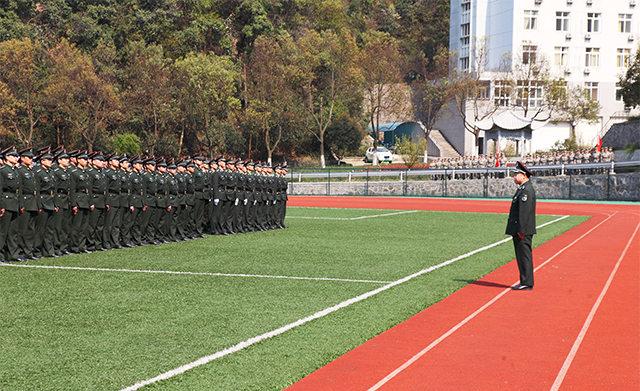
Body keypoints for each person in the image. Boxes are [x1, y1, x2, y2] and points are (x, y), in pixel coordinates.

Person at [506, 161, 537, 290]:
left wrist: (521, 230)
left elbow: (524, 213)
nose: (514, 177)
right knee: (522, 256)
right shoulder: (523, 189)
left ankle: (526, 282)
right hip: (519, 229)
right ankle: (524, 280)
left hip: (522, 230)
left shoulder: (526, 191)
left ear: (524, 175)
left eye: (516, 174)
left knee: (524, 256)